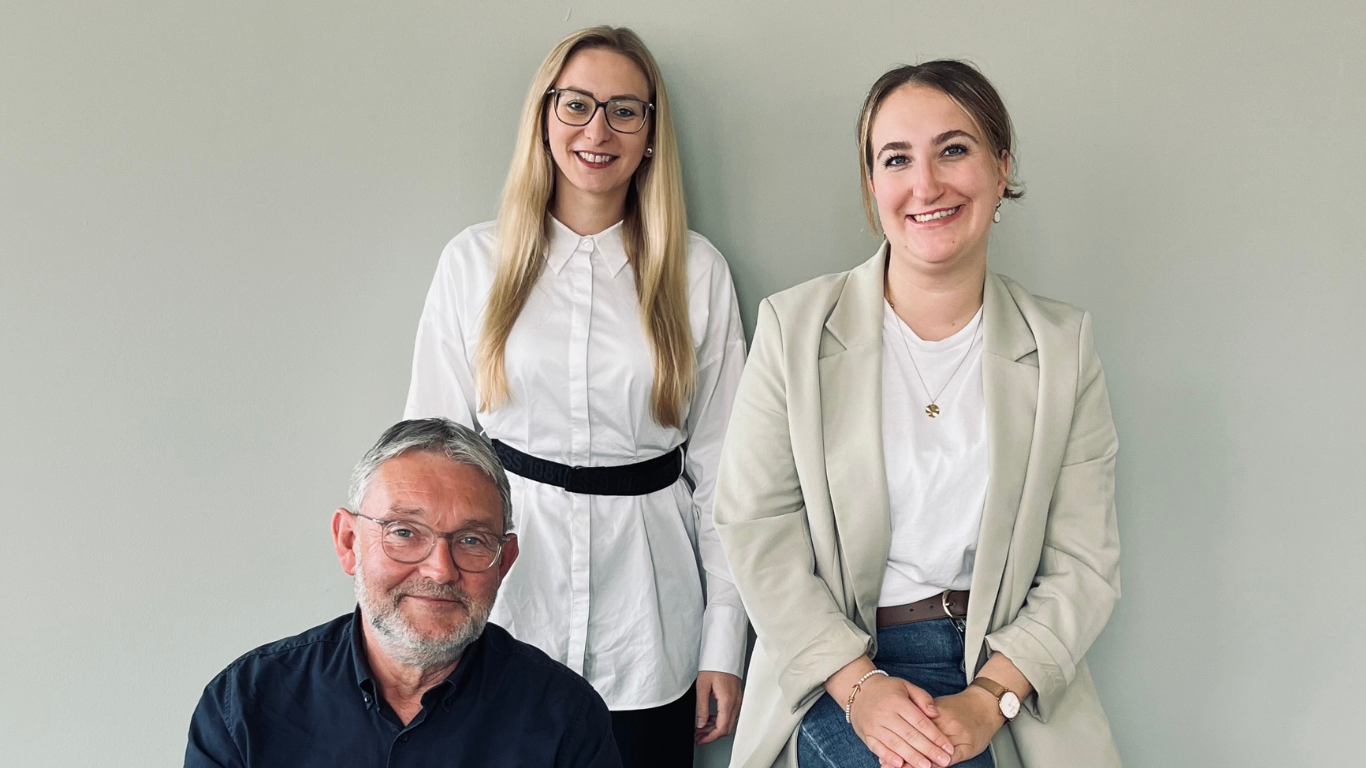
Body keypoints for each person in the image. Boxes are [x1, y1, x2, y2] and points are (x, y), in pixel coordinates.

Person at [714, 60, 1122, 768]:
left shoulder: (1063, 346)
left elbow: (1084, 565)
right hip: (841, 661)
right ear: (873, 191)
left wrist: (989, 696)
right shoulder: (794, 328)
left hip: (1002, 665)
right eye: (896, 159)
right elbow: (757, 532)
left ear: (1000, 170)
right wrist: (858, 684)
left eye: (954, 150)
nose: (926, 184)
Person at [403, 26, 748, 767]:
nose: (599, 130)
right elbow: (426, 464)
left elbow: (727, 475)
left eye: (626, 109)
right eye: (578, 104)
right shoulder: (475, 263)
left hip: (650, 625)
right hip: (506, 609)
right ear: (544, 116)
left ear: (652, 132)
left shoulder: (698, 272)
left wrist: (725, 640)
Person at [184, 418, 621, 768]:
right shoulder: (244, 705)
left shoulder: (567, 719)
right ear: (349, 542)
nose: (439, 569)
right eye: (405, 532)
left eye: (471, 540)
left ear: (504, 561)